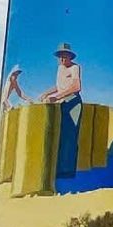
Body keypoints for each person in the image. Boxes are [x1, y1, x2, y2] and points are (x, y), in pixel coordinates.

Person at [39, 43, 83, 179]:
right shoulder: (60, 69)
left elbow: (76, 86)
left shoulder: (75, 68)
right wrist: (46, 93)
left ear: (70, 56)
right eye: (60, 56)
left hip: (73, 103)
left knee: (70, 135)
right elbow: (59, 87)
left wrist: (57, 97)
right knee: (61, 134)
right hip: (62, 103)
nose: (62, 59)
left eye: (65, 56)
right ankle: (59, 169)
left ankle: (68, 171)